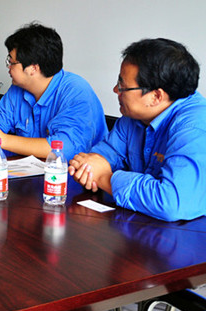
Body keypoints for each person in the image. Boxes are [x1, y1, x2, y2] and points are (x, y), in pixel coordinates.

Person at [69, 38, 206, 222]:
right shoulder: (133, 116)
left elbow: (171, 202)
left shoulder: (195, 127)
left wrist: (105, 178)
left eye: (123, 86)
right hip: (142, 225)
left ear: (156, 96)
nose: (115, 90)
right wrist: (90, 168)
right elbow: (99, 158)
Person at [0, 23, 106, 160]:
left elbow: (65, 149)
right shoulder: (18, 89)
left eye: (11, 62)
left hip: (70, 174)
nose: (8, 67)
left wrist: (2, 139)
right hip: (25, 171)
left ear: (33, 68)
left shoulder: (76, 91)